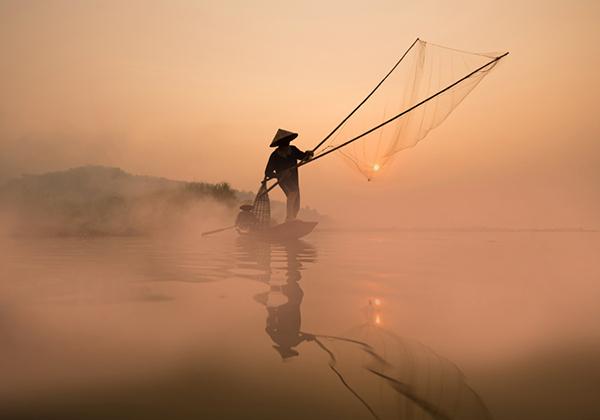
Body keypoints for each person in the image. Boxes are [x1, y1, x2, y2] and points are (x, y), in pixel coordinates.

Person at [264, 129, 313, 222]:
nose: (287, 144)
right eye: (285, 143)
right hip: (283, 180)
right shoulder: (275, 156)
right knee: (293, 191)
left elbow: (304, 157)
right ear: (280, 144)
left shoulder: (293, 150)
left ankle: (292, 219)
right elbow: (267, 172)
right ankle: (289, 217)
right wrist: (280, 175)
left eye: (288, 142)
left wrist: (308, 154)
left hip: (294, 179)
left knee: (296, 202)